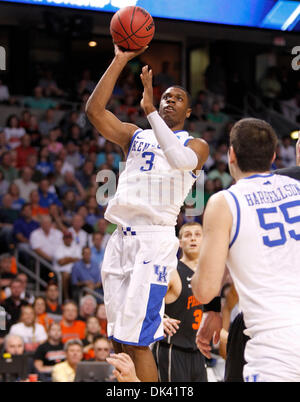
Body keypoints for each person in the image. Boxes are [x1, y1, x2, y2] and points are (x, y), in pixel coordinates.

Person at [85, 44, 209, 382]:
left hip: (153, 242)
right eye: (165, 96)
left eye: (177, 98)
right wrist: (120, 59)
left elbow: (183, 162)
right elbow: (94, 111)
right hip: (120, 239)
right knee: (118, 338)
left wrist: (151, 110)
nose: (169, 100)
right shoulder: (133, 136)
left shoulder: (194, 144)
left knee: (138, 342)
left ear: (189, 110)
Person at [192, 118, 300, 382]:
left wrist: (208, 302)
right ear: (274, 155)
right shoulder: (297, 186)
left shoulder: (224, 202)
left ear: (231, 154)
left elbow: (205, 289)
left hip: (277, 346)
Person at [153, 222, 209, 382]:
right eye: (187, 235)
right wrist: (158, 319)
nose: (193, 238)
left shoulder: (209, 274)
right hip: (172, 349)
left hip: (198, 351)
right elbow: (143, 299)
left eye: (198, 234)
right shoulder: (172, 270)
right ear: (179, 242)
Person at [53, 231, 81, 300]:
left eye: (69, 238)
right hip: (60, 272)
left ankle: (77, 298)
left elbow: (79, 259)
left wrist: (66, 258)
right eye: (66, 238)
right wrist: (72, 258)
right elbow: (61, 262)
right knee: (65, 275)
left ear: (72, 239)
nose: (68, 239)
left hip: (74, 270)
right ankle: (65, 297)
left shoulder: (76, 246)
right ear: (63, 239)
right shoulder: (58, 248)